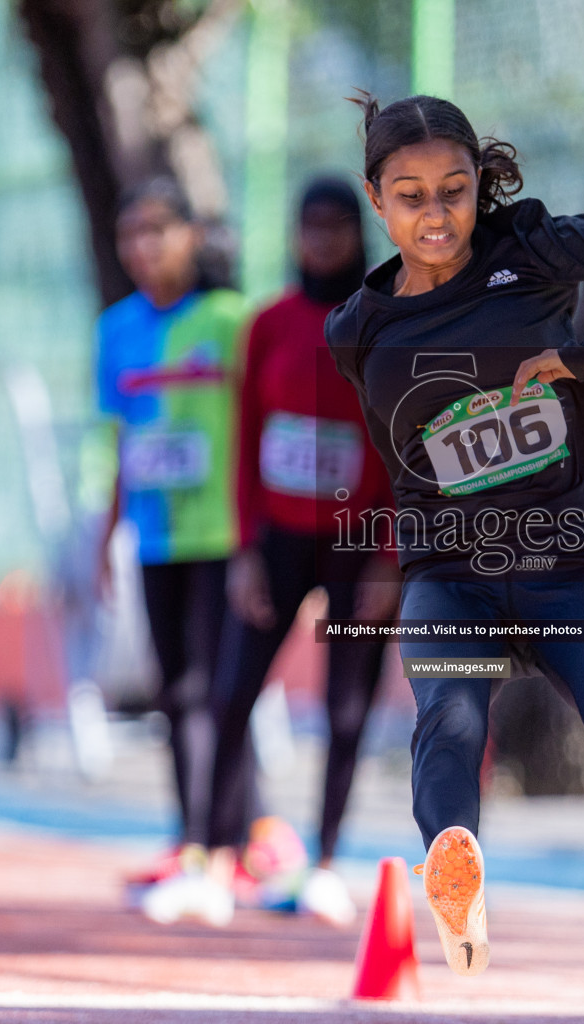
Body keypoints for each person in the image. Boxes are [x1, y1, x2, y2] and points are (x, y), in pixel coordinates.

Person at [323, 93, 584, 974]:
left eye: (455, 190)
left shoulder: (532, 250)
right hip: (450, 572)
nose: (437, 215)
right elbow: (403, 463)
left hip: (564, 559)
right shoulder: (356, 330)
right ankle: (456, 882)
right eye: (411, 196)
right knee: (451, 717)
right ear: (376, 200)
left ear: (481, 186)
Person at [194, 177, 403, 928]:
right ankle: (215, 860)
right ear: (294, 235)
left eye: (337, 225)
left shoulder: (386, 322)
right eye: (308, 225)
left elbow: (405, 448)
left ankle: (323, 863)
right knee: (230, 697)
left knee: (346, 711)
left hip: (359, 544)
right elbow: (245, 437)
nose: (322, 239)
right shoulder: (270, 323)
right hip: (276, 541)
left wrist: (389, 556)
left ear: (361, 231)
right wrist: (245, 548)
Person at [93, 178, 261, 916]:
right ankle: (197, 838)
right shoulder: (117, 328)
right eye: (130, 233)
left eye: (157, 229)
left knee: (224, 691)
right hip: (157, 534)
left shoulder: (233, 321)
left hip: (227, 532)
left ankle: (234, 842)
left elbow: (262, 418)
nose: (142, 247)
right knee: (175, 691)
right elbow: (122, 436)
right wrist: (109, 531)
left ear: (194, 235)